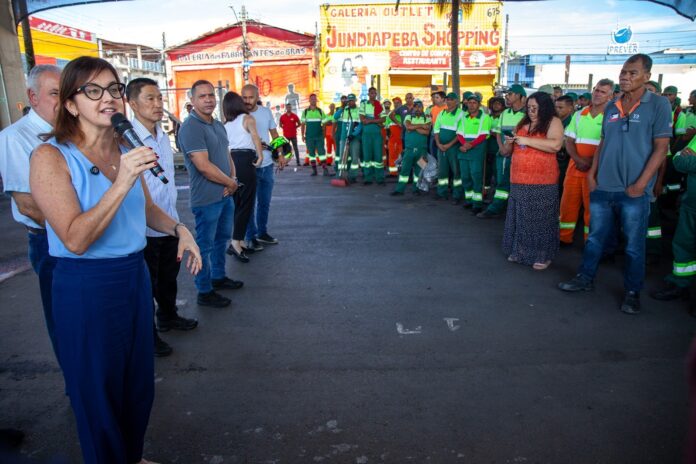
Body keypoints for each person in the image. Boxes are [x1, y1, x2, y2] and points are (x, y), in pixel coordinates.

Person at [29, 55, 201, 464]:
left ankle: (131, 455)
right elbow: (74, 237)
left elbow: (143, 210)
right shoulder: (50, 158)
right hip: (86, 284)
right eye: (92, 90)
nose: (107, 98)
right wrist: (122, 179)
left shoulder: (125, 146)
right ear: (70, 104)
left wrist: (180, 229)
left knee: (137, 383)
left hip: (132, 277)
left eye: (112, 89)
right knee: (98, 390)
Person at [558, 54, 672, 315]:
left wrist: (641, 184)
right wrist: (592, 176)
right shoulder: (612, 106)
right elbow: (603, 145)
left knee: (633, 245)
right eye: (623, 72)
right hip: (603, 187)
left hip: (633, 190)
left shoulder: (658, 105)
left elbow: (661, 148)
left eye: (632, 73)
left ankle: (632, 292)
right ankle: (585, 278)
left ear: (647, 76)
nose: (625, 77)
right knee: (595, 238)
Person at [126, 77, 199, 358]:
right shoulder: (125, 140)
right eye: (150, 99)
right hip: (143, 227)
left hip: (169, 222)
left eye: (159, 98)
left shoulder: (161, 135)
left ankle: (168, 317)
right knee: (146, 287)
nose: (158, 104)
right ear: (132, 104)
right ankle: (149, 336)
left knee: (169, 278)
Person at [0, 64, 61, 363]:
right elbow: (27, 204)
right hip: (50, 241)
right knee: (63, 318)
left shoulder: (67, 132)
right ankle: (75, 384)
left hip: (77, 235)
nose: (61, 101)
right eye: (53, 94)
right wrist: (75, 232)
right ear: (32, 97)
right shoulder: (15, 137)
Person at [179, 79, 243, 308]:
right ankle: (204, 291)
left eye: (211, 96)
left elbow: (227, 155)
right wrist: (231, 183)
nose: (208, 100)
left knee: (221, 240)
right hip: (206, 199)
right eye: (202, 96)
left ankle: (218, 276)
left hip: (225, 194)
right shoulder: (190, 128)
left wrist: (233, 179)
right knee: (204, 246)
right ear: (192, 100)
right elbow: (203, 166)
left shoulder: (217, 125)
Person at [502, 92, 564, 270]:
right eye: (528, 108)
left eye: (535, 108)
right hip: (519, 179)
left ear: (544, 107)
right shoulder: (523, 123)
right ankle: (520, 251)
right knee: (521, 218)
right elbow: (508, 151)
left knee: (540, 220)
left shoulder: (553, 122)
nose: (531, 111)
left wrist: (526, 140)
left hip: (542, 180)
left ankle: (542, 256)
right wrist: (509, 142)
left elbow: (555, 145)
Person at [559, 79, 613, 247]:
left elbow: (611, 145)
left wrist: (590, 163)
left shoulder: (613, 117)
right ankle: (563, 237)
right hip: (575, 167)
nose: (597, 94)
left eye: (602, 92)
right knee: (568, 205)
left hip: (596, 171)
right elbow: (569, 141)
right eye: (596, 90)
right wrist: (578, 159)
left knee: (593, 209)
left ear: (610, 96)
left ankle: (590, 243)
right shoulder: (579, 114)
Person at [650, 137, 696, 308]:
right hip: (691, 204)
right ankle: (680, 284)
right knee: (683, 245)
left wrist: (691, 161)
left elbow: (686, 161)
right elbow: (678, 160)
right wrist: (687, 160)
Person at [241, 83, 286, 249]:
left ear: (257, 97)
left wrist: (281, 155)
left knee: (264, 202)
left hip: (267, 165)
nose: (247, 101)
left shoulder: (265, 112)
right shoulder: (238, 115)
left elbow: (275, 134)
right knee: (249, 203)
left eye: (250, 97)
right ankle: (250, 236)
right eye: (244, 97)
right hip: (248, 166)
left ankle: (262, 233)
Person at [222, 91, 265, 264]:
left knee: (238, 203)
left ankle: (238, 241)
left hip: (231, 161)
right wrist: (260, 155)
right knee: (246, 203)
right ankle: (235, 243)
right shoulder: (247, 119)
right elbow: (255, 136)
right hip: (246, 161)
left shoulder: (226, 124)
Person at [477, 85, 526, 218]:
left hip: (521, 156)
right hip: (504, 153)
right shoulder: (505, 113)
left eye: (510, 94)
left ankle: (508, 208)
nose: (507, 97)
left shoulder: (528, 114)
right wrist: (502, 147)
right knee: (501, 181)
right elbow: (498, 133)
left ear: (520, 96)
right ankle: (497, 207)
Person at [456, 93, 492, 214]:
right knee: (465, 176)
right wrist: (464, 144)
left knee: (476, 176)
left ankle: (477, 204)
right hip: (465, 149)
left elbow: (483, 135)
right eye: (469, 103)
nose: (471, 105)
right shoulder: (464, 117)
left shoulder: (485, 117)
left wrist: (469, 145)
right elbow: (459, 133)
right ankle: (469, 200)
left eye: (474, 103)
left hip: (477, 150)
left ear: (479, 104)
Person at [390, 99, 430, 196]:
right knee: (404, 169)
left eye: (419, 107)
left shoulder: (427, 118)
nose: (417, 109)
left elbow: (427, 132)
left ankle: (416, 189)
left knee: (419, 171)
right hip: (409, 150)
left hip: (422, 151)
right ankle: (399, 190)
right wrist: (421, 126)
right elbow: (408, 127)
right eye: (415, 107)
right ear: (413, 108)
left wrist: (414, 128)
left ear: (422, 108)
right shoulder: (408, 116)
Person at [434, 92, 464, 202]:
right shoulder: (441, 113)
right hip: (441, 147)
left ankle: (457, 195)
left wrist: (448, 145)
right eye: (447, 99)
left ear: (456, 101)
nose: (448, 101)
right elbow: (436, 129)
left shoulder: (461, 114)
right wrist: (438, 144)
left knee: (456, 171)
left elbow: (460, 133)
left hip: (453, 147)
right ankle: (441, 192)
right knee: (442, 170)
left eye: (451, 99)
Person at [359, 87, 385, 185]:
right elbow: (362, 119)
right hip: (366, 135)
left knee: (378, 157)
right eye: (371, 93)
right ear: (368, 94)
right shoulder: (364, 104)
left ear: (376, 94)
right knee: (367, 156)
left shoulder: (379, 105)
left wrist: (370, 120)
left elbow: (383, 119)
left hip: (377, 135)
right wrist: (376, 120)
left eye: (374, 93)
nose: (373, 95)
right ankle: (368, 178)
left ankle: (380, 178)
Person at [301, 94, 329, 176]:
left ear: (316, 100)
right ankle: (314, 170)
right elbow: (302, 124)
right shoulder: (305, 112)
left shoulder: (320, 111)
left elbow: (324, 123)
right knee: (311, 154)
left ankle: (325, 170)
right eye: (311, 99)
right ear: (309, 100)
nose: (313, 100)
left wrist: (323, 134)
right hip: (309, 137)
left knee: (322, 153)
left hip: (319, 137)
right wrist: (302, 135)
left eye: (314, 99)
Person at [554, 95, 576, 197]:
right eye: (556, 107)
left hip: (565, 162)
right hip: (553, 161)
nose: (557, 110)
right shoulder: (553, 121)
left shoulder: (574, 123)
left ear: (570, 108)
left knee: (561, 190)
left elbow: (565, 144)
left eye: (560, 108)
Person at [339, 93, 362, 182]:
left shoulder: (359, 110)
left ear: (355, 101)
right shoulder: (344, 110)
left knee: (354, 157)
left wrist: (353, 134)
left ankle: (353, 176)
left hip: (354, 138)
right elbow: (335, 116)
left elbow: (360, 125)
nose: (350, 102)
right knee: (342, 157)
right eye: (349, 101)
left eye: (352, 100)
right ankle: (341, 174)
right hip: (344, 137)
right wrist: (342, 108)